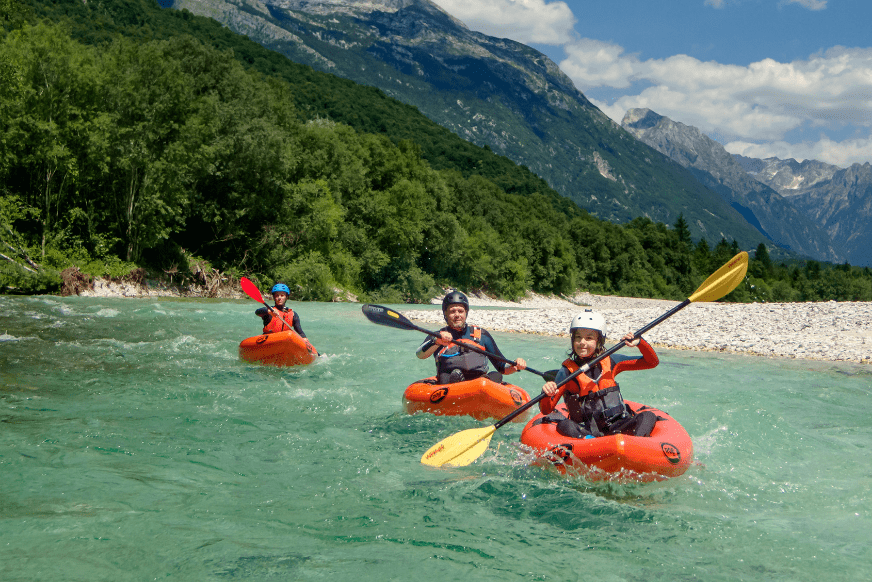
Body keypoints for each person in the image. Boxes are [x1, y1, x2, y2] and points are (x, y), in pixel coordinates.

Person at [539, 310, 659, 438]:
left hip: (620, 425)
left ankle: (637, 444)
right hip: (588, 431)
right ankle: (590, 445)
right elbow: (546, 410)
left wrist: (640, 343)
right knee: (565, 425)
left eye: (589, 338)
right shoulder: (567, 371)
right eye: (578, 337)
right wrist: (546, 394)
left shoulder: (612, 361)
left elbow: (651, 362)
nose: (582, 342)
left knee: (648, 416)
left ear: (599, 341)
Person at [416, 290, 526, 384]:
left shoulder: (482, 335)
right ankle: (457, 383)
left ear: (466, 313)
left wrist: (515, 365)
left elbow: (502, 367)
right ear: (445, 314)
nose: (457, 315)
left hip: (478, 384)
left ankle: (481, 385)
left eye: (460, 311)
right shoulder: (437, 335)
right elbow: (420, 354)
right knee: (445, 377)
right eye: (452, 311)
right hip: (448, 385)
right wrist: (437, 341)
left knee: (496, 375)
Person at [255, 283, 314, 350]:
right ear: (274, 297)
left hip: (285, 344)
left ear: (287, 297)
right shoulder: (269, 311)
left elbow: (300, 332)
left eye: (282, 295)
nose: (279, 298)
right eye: (277, 296)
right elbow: (257, 312)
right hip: (269, 343)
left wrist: (305, 339)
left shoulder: (293, 314)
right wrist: (269, 311)